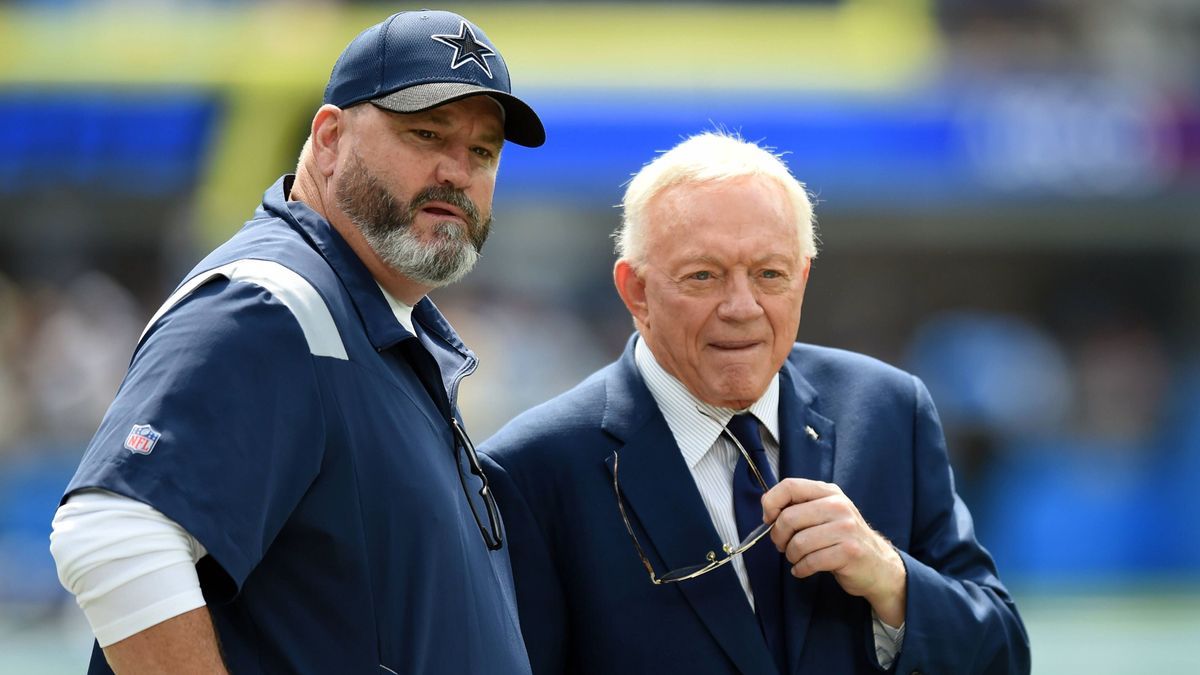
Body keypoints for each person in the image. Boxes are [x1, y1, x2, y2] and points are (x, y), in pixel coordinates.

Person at [49, 10, 544, 674]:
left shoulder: (371, 321)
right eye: (426, 132)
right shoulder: (274, 301)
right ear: (331, 137)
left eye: (482, 151)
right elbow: (112, 536)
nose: (457, 170)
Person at [479, 131, 1031, 675]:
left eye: (770, 274)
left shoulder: (889, 410)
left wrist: (890, 578)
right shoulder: (529, 470)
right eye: (704, 276)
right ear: (636, 292)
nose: (742, 307)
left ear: (803, 278)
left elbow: (1002, 655)